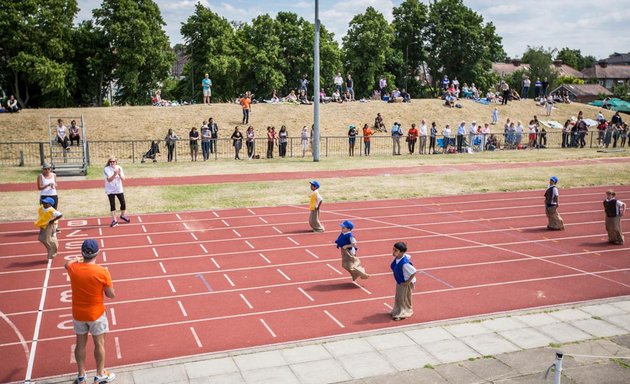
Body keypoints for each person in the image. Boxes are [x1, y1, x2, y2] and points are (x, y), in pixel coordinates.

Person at [65, 239, 116, 384]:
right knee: (99, 344)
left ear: (83, 254)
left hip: (78, 313)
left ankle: (81, 376)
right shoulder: (102, 272)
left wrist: (77, 259)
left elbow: (66, 264)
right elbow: (111, 295)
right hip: (96, 314)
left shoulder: (73, 268)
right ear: (97, 253)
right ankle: (100, 374)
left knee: (80, 344)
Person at [390, 241, 417, 321]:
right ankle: (397, 310)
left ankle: (403, 313)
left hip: (405, 282)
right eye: (393, 249)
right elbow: (407, 256)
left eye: (396, 251)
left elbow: (414, 271)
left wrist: (407, 282)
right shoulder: (398, 258)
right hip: (400, 281)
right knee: (398, 297)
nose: (393, 252)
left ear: (401, 252)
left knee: (403, 298)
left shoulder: (405, 263)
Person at [104, 156, 129, 228]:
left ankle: (122, 215)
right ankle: (114, 220)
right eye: (111, 162)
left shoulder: (119, 168)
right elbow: (109, 180)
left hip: (118, 188)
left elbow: (123, 179)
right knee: (112, 205)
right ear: (109, 162)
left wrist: (119, 173)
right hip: (110, 189)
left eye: (113, 161)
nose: (112, 163)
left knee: (123, 203)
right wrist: (115, 174)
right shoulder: (106, 169)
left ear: (116, 162)